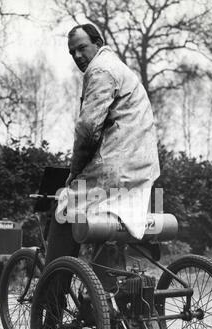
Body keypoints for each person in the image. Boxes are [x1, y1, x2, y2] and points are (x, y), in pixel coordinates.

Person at [45, 23, 160, 265]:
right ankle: (105, 289)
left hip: (117, 169)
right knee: (107, 220)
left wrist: (74, 171)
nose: (77, 56)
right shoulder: (119, 69)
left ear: (98, 43)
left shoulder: (99, 70)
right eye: (72, 52)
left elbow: (87, 130)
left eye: (82, 48)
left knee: (65, 208)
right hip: (141, 172)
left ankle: (51, 295)